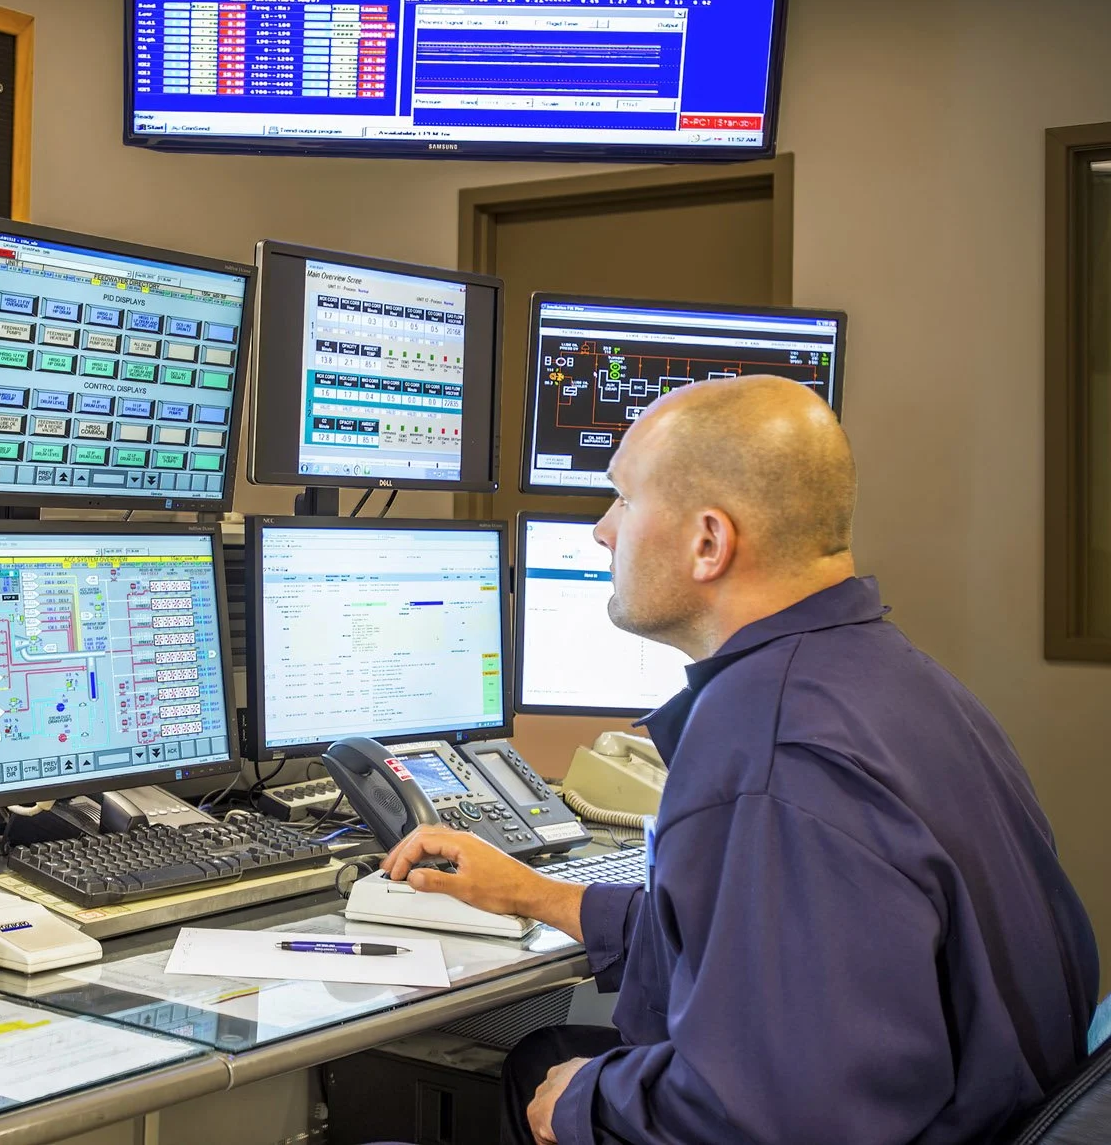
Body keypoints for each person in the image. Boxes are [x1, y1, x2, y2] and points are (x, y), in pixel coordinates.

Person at [383, 376, 1099, 1145]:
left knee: (546, 1089)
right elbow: (780, 950)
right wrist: (539, 895)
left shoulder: (770, 753)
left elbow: (782, 1117)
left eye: (622, 498)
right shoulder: (900, 682)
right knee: (545, 1055)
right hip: (980, 1108)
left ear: (708, 542)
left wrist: (587, 1101)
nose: (601, 530)